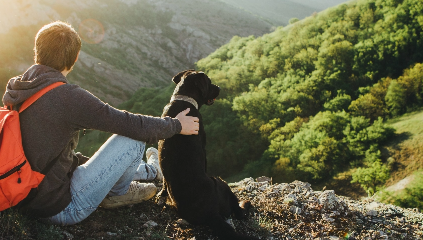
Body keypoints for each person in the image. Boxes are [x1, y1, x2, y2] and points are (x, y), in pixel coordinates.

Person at [1, 21, 199, 225]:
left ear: (37, 52)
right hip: (60, 207)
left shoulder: (19, 88)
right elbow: (128, 123)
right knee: (132, 140)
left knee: (92, 159)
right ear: (75, 58)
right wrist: (176, 125)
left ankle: (150, 171)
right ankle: (117, 193)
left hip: (22, 193)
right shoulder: (67, 97)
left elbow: (43, 151)